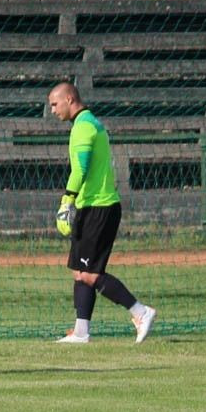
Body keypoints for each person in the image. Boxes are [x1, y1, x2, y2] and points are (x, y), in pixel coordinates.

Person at [48, 82, 156, 343]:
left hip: (100, 207)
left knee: (90, 274)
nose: (52, 110)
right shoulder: (88, 123)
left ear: (69, 99)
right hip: (91, 206)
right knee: (79, 271)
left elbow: (80, 169)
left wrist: (66, 200)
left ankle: (140, 312)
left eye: (54, 104)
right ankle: (81, 332)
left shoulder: (84, 126)